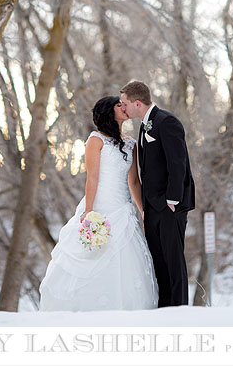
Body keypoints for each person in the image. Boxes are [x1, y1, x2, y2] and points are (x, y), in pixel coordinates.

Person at [39, 96, 158, 311]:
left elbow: (133, 181)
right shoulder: (96, 140)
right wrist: (88, 212)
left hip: (123, 209)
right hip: (100, 207)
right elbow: (92, 178)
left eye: (125, 105)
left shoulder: (131, 143)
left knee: (127, 262)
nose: (124, 107)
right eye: (119, 105)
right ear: (108, 112)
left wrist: (143, 211)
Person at [119, 80, 195, 307]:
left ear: (137, 103)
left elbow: (178, 162)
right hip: (153, 207)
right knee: (158, 261)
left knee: (173, 262)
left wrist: (173, 199)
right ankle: (165, 309)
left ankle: (179, 310)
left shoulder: (167, 122)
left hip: (170, 204)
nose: (122, 108)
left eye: (124, 104)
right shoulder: (144, 126)